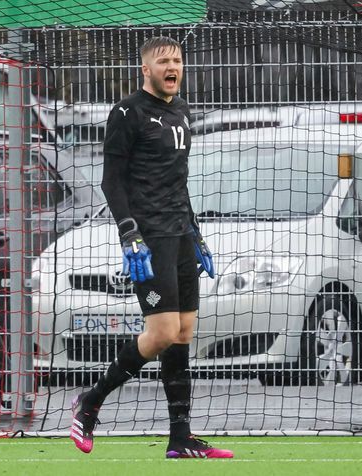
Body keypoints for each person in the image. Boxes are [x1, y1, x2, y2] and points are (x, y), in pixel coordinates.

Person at [69, 36, 233, 459]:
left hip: (179, 235)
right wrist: (129, 232)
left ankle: (181, 437)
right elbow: (112, 180)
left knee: (183, 333)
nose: (172, 66)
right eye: (164, 62)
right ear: (146, 69)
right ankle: (91, 401)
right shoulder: (128, 112)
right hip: (150, 237)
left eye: (177, 60)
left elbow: (177, 180)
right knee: (159, 333)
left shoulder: (181, 111)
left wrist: (195, 234)